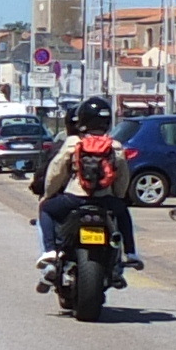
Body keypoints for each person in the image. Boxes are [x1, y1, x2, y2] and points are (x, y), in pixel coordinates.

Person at [30, 99, 137, 280]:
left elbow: (56, 171)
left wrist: (48, 195)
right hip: (104, 200)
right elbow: (122, 176)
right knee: (122, 213)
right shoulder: (114, 145)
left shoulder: (73, 142)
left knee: (46, 209)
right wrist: (117, 196)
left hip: (75, 198)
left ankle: (49, 251)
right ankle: (130, 252)